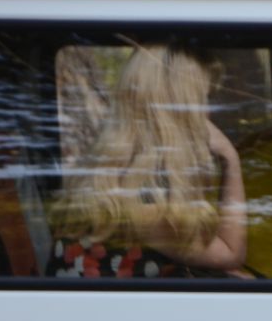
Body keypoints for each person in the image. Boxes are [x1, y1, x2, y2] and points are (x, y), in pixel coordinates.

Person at [47, 43, 248, 278]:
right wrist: (230, 157)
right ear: (181, 112)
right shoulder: (143, 200)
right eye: (203, 100)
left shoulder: (113, 178)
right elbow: (231, 253)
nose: (208, 115)